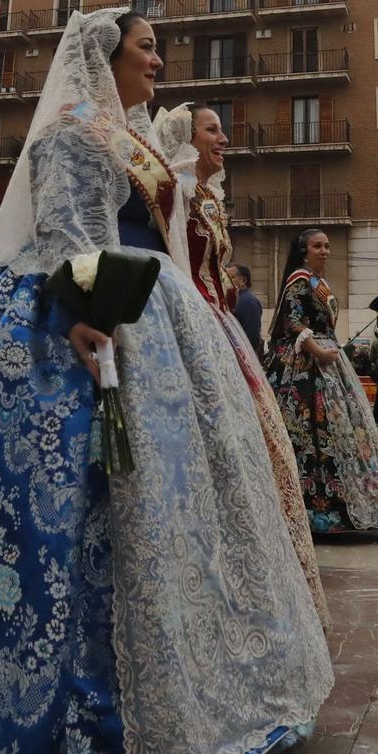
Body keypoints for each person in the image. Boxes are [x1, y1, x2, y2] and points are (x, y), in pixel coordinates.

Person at [0, 9, 332, 754]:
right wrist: (88, 312)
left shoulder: (134, 136)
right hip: (87, 312)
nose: (157, 62)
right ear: (105, 55)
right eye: (147, 48)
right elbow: (69, 234)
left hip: (155, 311)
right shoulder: (74, 130)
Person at [156, 102, 326, 625]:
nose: (224, 138)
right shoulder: (178, 192)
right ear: (187, 139)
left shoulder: (209, 195)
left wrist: (226, 287)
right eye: (213, 130)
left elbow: (216, 269)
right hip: (195, 325)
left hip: (221, 327)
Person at [273, 227, 378, 526]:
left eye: (327, 246)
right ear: (303, 250)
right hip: (305, 364)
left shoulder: (319, 281)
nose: (324, 251)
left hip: (328, 360)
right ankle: (313, 508)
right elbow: (292, 321)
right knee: (309, 430)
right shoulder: (300, 279)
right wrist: (317, 351)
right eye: (317, 246)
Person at [232, 263, 264, 361]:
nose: (226, 281)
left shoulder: (247, 301)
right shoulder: (236, 299)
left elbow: (252, 337)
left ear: (243, 281)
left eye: (231, 277)